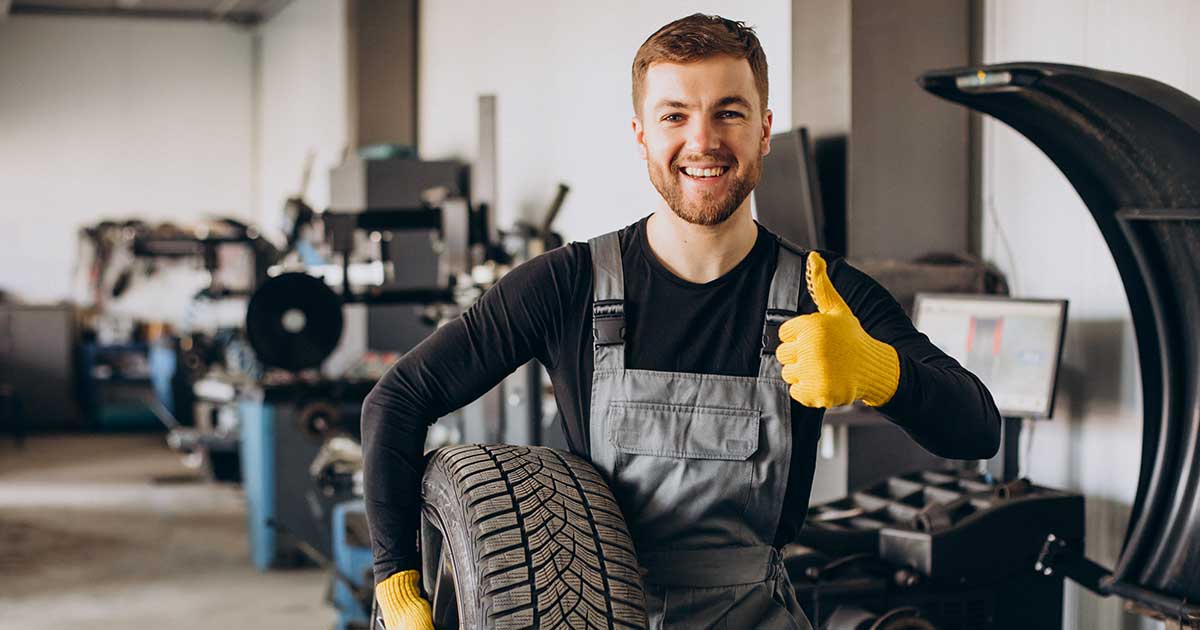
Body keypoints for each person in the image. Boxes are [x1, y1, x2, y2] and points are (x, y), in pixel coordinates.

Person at [362, 13, 1001, 629]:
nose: (703, 141)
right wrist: (398, 581)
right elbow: (397, 400)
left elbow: (977, 428)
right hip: (590, 615)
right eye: (675, 116)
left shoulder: (821, 292)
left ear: (765, 130)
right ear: (641, 133)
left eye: (729, 112)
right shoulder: (568, 284)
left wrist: (877, 370)